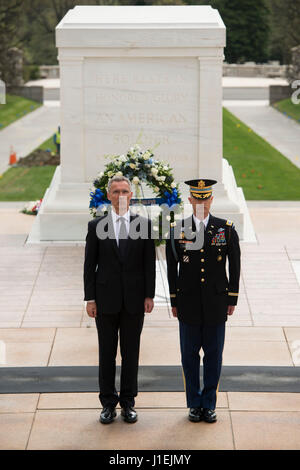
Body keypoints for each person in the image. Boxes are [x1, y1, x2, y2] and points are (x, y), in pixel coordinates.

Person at [166, 179, 241, 423]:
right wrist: (174, 300)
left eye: (205, 198)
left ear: (211, 200)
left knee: (213, 355)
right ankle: (194, 403)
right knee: (188, 356)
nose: (201, 203)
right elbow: (171, 268)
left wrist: (233, 297)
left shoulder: (225, 229)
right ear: (190, 201)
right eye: (196, 198)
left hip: (216, 303)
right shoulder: (178, 229)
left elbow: (235, 265)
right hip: (188, 303)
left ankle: (209, 403)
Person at [84, 175, 156, 424]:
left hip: (135, 301)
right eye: (116, 191)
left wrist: (149, 294)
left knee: (131, 353)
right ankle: (107, 403)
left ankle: (128, 402)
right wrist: (90, 298)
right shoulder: (96, 226)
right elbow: (89, 265)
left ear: (131, 195)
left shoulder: (144, 225)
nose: (121, 195)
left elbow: (149, 264)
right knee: (106, 353)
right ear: (109, 196)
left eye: (125, 191)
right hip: (105, 301)